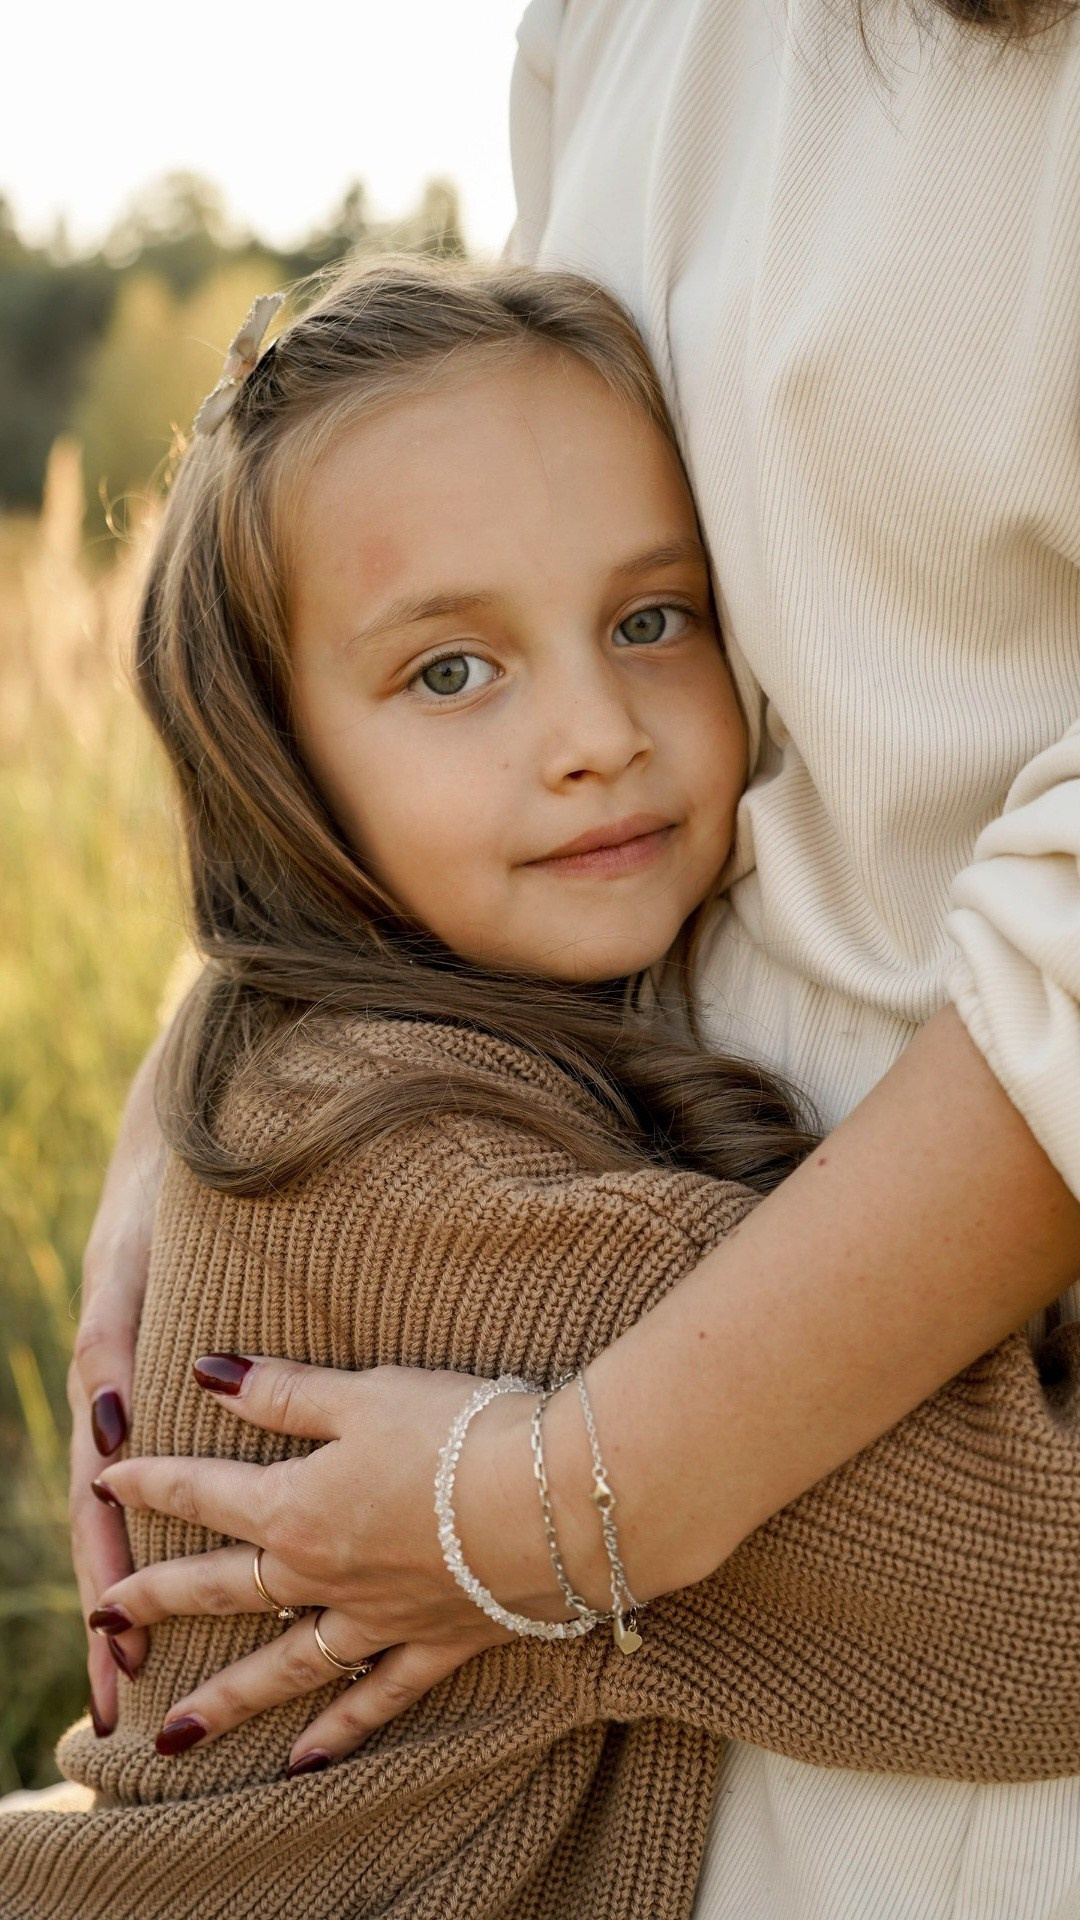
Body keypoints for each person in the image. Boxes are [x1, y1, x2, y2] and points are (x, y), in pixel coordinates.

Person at [62, 0, 1080, 1905]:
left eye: (658, 617)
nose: (592, 737)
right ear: (274, 772)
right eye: (456, 671)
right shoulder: (429, 1180)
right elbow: (1046, 1609)